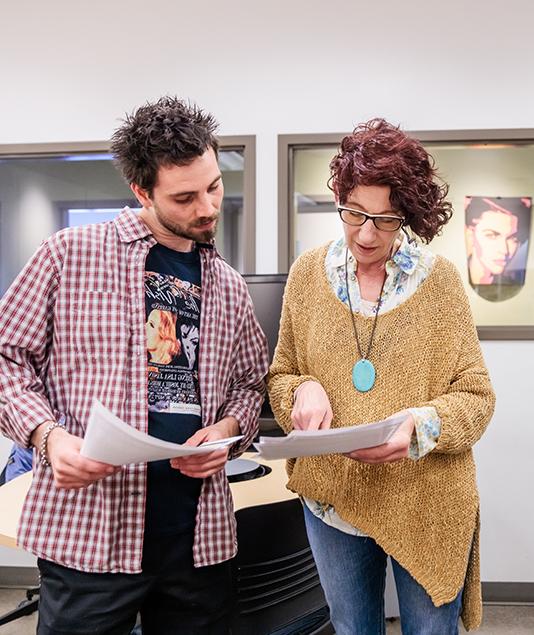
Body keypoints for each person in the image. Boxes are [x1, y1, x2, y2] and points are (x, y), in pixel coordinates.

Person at [0, 96, 268, 634]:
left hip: (198, 538)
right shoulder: (67, 256)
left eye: (213, 186)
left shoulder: (228, 285)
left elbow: (249, 383)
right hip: (90, 536)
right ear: (142, 191)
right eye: (185, 197)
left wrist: (227, 429)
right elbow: (7, 357)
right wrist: (47, 437)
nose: (208, 208)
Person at [268, 118, 495, 634]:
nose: (366, 234)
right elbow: (281, 376)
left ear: (407, 216)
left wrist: (419, 426)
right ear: (340, 200)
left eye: (386, 219)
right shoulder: (307, 275)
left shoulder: (436, 282)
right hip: (334, 498)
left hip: (424, 499)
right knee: (351, 629)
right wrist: (302, 388)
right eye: (353, 213)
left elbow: (477, 398)